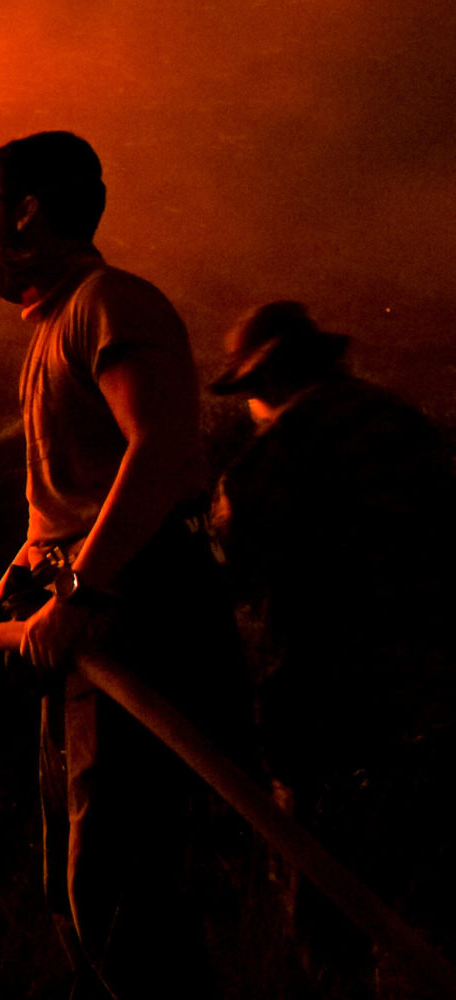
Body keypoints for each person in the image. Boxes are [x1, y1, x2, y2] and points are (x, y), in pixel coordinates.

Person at [0, 131, 247, 998]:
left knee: (117, 886)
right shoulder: (57, 325)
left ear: (27, 211)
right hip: (85, 617)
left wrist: (84, 593)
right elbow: (50, 525)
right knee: (78, 888)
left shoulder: (110, 305)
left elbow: (165, 448)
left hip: (133, 613)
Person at [209, 302, 454, 991]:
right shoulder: (405, 425)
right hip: (442, 704)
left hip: (338, 720)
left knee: (328, 922)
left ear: (265, 380)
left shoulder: (277, 454)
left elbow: (228, 576)